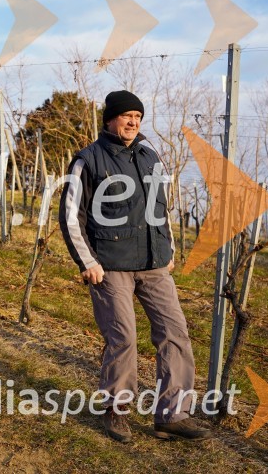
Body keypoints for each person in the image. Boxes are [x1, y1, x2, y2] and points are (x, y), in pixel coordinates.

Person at [59, 90, 209, 442]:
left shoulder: (150, 154)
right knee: (123, 336)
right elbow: (70, 216)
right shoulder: (88, 159)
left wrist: (168, 247)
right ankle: (116, 409)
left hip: (154, 262)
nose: (133, 122)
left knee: (175, 333)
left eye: (138, 117)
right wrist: (87, 261)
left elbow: (161, 205)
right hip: (110, 266)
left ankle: (173, 414)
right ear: (109, 119)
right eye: (127, 116)